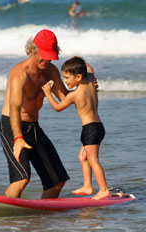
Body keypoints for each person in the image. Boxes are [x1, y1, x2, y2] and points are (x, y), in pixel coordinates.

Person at [0, 29, 70, 199]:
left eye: (50, 55)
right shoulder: (20, 73)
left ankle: (43, 217)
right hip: (12, 126)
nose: (47, 59)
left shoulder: (50, 70)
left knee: (57, 181)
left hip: (34, 127)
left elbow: (65, 98)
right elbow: (14, 107)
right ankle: (5, 217)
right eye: (43, 54)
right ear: (32, 50)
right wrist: (18, 139)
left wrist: (86, 88)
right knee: (21, 178)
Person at [42, 56, 109, 200]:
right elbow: (89, 68)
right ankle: (87, 186)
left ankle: (103, 189)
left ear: (78, 76)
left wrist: (48, 93)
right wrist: (78, 62)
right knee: (82, 157)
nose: (65, 81)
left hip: (90, 130)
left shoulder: (75, 94)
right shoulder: (90, 80)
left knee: (93, 160)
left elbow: (58, 108)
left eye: (67, 77)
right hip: (97, 127)